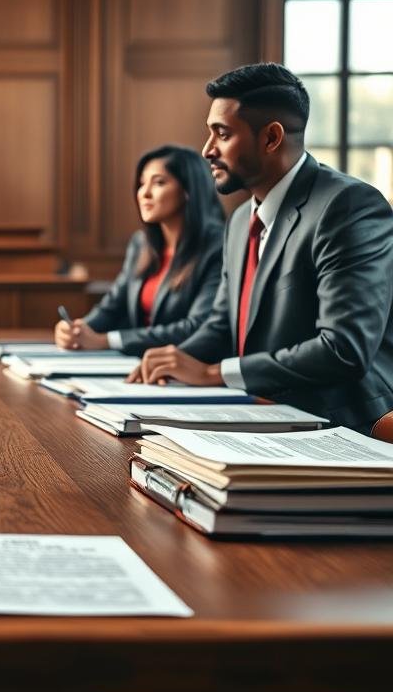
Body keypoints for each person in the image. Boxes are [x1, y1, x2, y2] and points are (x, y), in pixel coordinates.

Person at [131, 62, 393, 432]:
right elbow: (223, 325)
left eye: (222, 134)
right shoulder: (240, 221)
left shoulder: (348, 207)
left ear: (271, 138)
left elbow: (343, 349)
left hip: (342, 427)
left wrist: (213, 372)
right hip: (262, 411)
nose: (207, 150)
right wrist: (173, 360)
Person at [55, 145, 224, 356]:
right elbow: (113, 307)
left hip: (188, 367)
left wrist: (108, 340)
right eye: (142, 183)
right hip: (138, 364)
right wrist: (79, 330)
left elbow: (197, 326)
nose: (144, 193)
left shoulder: (219, 246)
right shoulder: (141, 243)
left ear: (188, 191)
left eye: (159, 183)